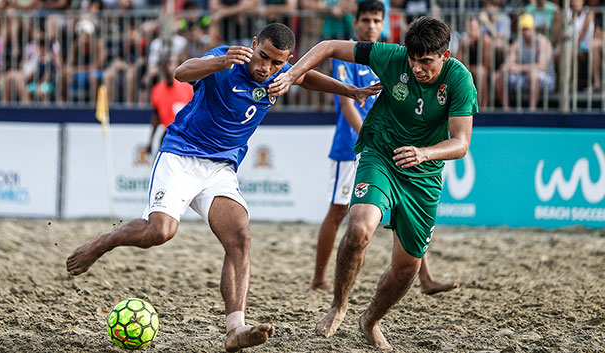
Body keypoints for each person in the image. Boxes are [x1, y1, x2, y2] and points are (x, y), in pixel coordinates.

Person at [66, 23, 381, 352]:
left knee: (240, 237)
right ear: (254, 43)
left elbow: (305, 76)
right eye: (262, 57)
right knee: (160, 232)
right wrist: (220, 62)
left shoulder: (280, 73)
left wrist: (350, 91)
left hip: (221, 168)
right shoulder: (226, 59)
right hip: (182, 155)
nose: (266, 68)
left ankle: (235, 328)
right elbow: (181, 72)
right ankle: (104, 242)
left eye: (277, 63)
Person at [269, 16, 477, 349]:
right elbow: (329, 46)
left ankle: (371, 320)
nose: (418, 68)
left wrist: (424, 154)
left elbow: (462, 142)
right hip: (382, 153)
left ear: (445, 56)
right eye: (414, 60)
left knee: (407, 265)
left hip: (423, 174)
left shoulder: (459, 80)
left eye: (426, 61)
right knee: (359, 227)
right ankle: (338, 305)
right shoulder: (392, 57)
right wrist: (293, 74)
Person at [310, 0, 457, 297]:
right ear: (356, 23)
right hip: (351, 146)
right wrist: (372, 140)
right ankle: (318, 278)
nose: (371, 26)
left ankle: (425, 278)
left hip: (387, 146)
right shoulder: (348, 56)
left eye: (377, 20)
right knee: (338, 213)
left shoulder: (399, 57)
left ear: (384, 23)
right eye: (366, 20)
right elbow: (348, 106)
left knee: (404, 212)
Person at [495, 13, 555, 111]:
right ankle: (507, 110)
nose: (525, 32)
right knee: (498, 75)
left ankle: (531, 111)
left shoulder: (543, 42)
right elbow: (508, 64)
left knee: (533, 74)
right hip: (524, 78)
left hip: (546, 79)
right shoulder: (518, 43)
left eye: (527, 28)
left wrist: (519, 68)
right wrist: (508, 67)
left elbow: (542, 66)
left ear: (533, 28)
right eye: (523, 29)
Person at [145, 54, 194, 154]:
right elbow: (156, 117)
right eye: (167, 64)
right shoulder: (157, 90)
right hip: (168, 135)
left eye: (172, 63)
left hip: (185, 136)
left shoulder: (188, 88)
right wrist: (150, 141)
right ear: (162, 67)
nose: (169, 67)